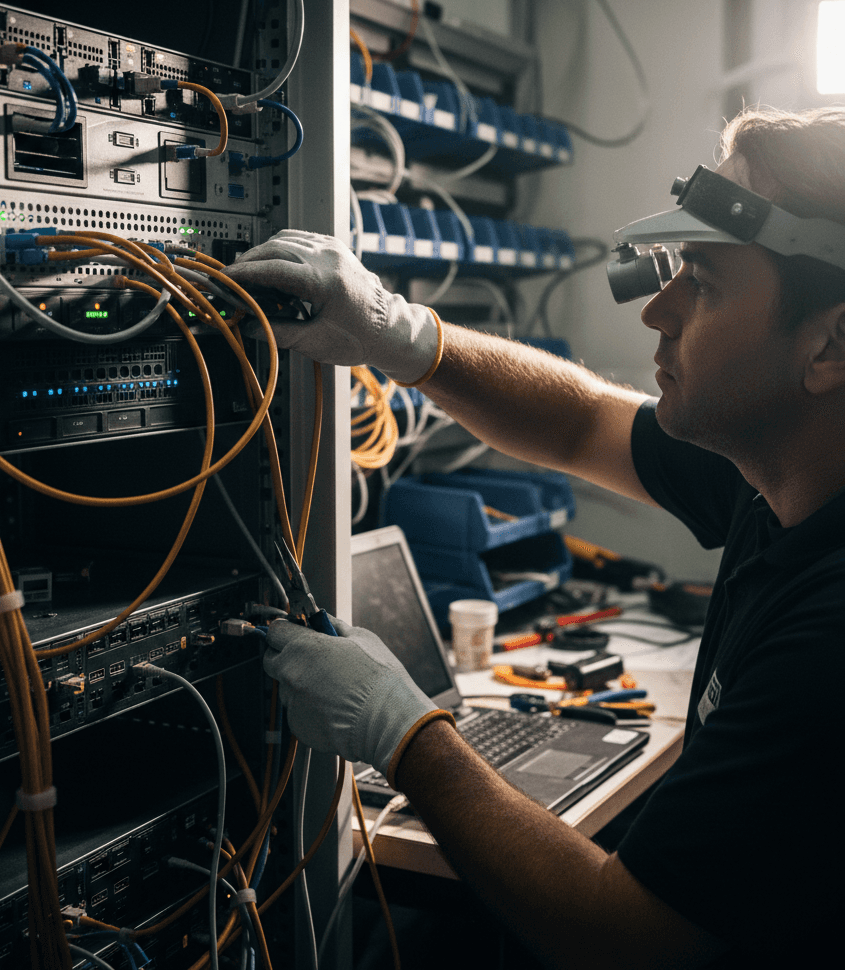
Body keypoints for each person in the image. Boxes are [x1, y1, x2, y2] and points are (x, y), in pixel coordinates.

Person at [225, 107, 845, 968]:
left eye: (701, 281)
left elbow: (624, 938)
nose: (656, 311)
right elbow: (584, 422)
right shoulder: (790, 467)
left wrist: (402, 732)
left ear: (830, 344)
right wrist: (401, 334)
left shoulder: (828, 643)